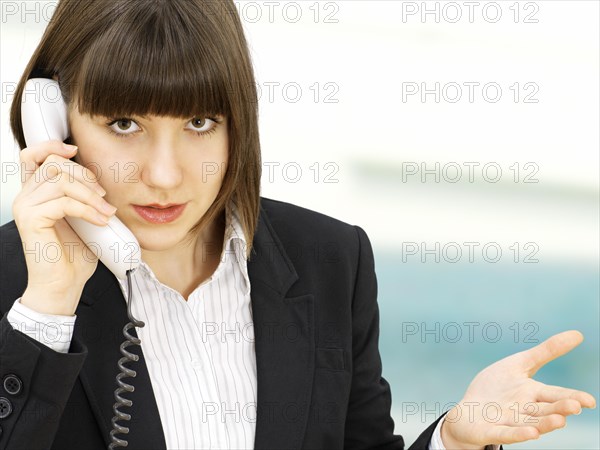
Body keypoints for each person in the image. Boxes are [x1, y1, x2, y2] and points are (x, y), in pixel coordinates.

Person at [0, 1, 595, 449]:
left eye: (201, 122)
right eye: (124, 124)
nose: (164, 175)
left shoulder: (331, 259)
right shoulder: (18, 286)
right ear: (53, 116)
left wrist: (454, 439)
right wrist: (48, 307)